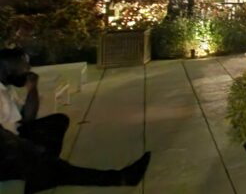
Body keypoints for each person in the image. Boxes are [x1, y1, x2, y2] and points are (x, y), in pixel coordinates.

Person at [0, 48, 150, 193]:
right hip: (5, 152)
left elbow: (27, 118)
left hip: (16, 141)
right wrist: (30, 149)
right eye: (23, 66)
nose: (28, 70)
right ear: (6, 67)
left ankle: (44, 172)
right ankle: (121, 178)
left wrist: (32, 89)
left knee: (57, 122)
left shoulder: (7, 89)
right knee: (55, 166)